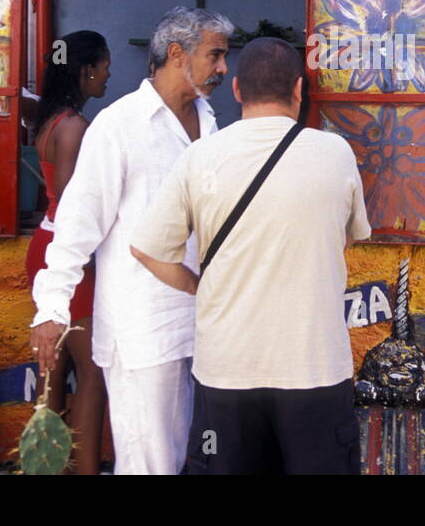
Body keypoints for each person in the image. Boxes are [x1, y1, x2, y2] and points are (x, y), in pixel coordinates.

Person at [130, 37, 371, 475]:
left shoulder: (199, 157)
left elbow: (146, 249)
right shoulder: (335, 154)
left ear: (237, 89)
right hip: (314, 368)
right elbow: (349, 237)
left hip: (226, 371)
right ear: (299, 89)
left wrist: (197, 286)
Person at [30, 6, 233, 474]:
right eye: (215, 55)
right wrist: (52, 308)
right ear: (177, 54)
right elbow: (77, 223)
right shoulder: (119, 126)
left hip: (195, 319)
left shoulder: (207, 119)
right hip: (142, 325)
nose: (223, 67)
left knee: (179, 453)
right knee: (147, 460)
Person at [24, 30, 111, 474]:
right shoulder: (77, 127)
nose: (108, 75)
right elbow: (77, 207)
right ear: (86, 70)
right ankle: (87, 469)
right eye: (104, 66)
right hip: (70, 251)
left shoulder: (49, 120)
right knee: (92, 373)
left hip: (44, 242)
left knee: (53, 370)